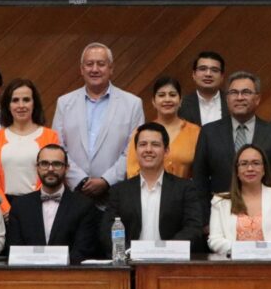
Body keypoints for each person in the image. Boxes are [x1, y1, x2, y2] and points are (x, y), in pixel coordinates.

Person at [193, 71, 271, 217]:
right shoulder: (209, 132)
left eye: (246, 92)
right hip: (220, 215)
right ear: (227, 98)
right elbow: (199, 180)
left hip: (265, 216)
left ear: (257, 99)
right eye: (234, 92)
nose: (239, 97)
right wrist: (204, 220)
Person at [53, 42, 145, 203]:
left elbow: (133, 150)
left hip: (115, 196)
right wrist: (79, 180)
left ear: (111, 68)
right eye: (89, 64)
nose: (94, 69)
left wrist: (106, 180)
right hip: (74, 196)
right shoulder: (64, 103)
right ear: (82, 69)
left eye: (101, 64)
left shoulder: (132, 104)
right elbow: (58, 147)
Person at [101, 123, 204, 254]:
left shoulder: (185, 188)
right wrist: (128, 253)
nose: (148, 149)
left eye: (155, 144)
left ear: (166, 151)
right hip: (130, 262)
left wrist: (167, 251)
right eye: (143, 144)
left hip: (171, 261)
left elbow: (193, 228)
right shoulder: (119, 191)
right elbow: (107, 231)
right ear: (136, 150)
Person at [5, 145, 99, 263]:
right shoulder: (20, 206)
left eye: (57, 164)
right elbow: (14, 251)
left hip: (69, 273)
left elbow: (83, 251)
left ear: (67, 168)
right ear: (37, 167)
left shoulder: (84, 205)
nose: (50, 169)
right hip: (29, 273)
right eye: (44, 163)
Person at [0, 78, 60, 213]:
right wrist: (6, 209)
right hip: (4, 208)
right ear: (8, 105)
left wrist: (32, 205)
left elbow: (53, 172)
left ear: (34, 103)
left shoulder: (50, 136)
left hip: (39, 206)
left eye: (26, 100)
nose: (21, 105)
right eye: (15, 100)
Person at [207, 144, 271, 256]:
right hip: (233, 262)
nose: (250, 169)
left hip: (270, 261)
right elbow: (215, 240)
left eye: (256, 163)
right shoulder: (219, 201)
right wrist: (244, 251)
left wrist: (259, 252)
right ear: (237, 171)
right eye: (244, 164)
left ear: (264, 169)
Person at [126, 76, 200, 179]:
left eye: (172, 95)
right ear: (153, 101)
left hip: (184, 188)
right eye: (161, 95)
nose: (167, 99)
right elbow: (132, 172)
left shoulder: (195, 132)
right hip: (146, 188)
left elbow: (201, 171)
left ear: (180, 100)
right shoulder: (141, 133)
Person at [177, 51, 228, 126]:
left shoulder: (232, 102)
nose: (208, 74)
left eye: (214, 70)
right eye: (203, 69)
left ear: (222, 76)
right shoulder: (180, 105)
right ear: (194, 74)